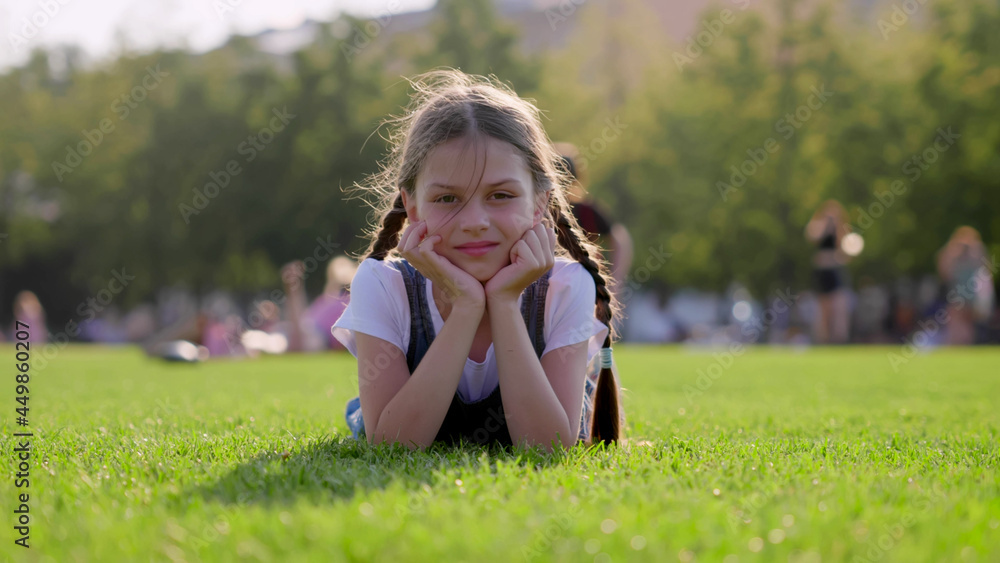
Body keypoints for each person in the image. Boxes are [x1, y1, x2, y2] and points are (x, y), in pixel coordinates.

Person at [331, 70, 624, 451]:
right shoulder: (383, 284)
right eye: (447, 199)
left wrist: (502, 303)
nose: (474, 223)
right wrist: (468, 305)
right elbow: (393, 445)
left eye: (500, 195)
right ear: (413, 206)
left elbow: (546, 447)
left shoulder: (565, 288)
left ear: (539, 204)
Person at [552, 142, 633, 299]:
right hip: (580, 289)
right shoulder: (587, 209)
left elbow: (620, 238)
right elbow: (621, 239)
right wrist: (616, 282)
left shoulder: (585, 210)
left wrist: (615, 282)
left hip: (578, 290)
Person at [936, 226, 994, 345]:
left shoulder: (977, 252)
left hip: (974, 295)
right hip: (957, 294)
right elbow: (943, 270)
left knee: (970, 323)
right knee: (956, 322)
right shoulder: (953, 253)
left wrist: (975, 249)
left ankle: (967, 343)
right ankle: (958, 343)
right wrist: (954, 248)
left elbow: (986, 270)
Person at [804, 200, 852, 344]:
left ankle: (838, 338)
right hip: (821, 272)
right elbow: (812, 237)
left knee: (838, 305)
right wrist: (826, 226)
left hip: (835, 270)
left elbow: (845, 251)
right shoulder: (818, 225)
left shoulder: (841, 229)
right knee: (823, 307)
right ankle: (823, 338)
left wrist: (837, 229)